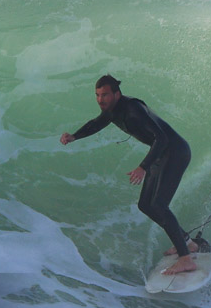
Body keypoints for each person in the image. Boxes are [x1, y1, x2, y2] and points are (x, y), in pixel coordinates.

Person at [60, 75, 199, 275]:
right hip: (161, 155)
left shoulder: (133, 109)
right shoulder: (111, 111)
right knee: (145, 205)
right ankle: (187, 243)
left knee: (159, 204)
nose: (100, 99)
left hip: (175, 152)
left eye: (105, 94)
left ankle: (186, 259)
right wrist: (74, 136)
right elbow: (96, 123)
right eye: (97, 95)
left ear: (117, 94)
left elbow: (162, 137)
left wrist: (143, 167)